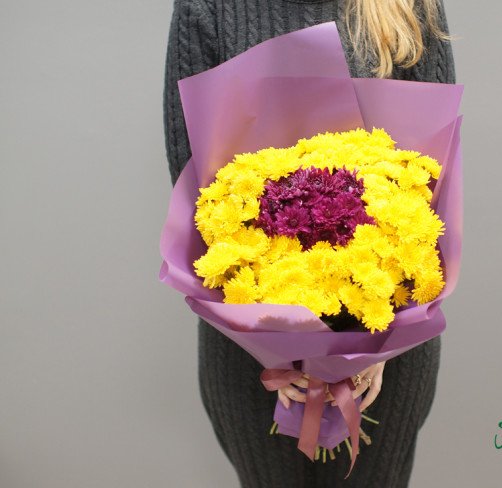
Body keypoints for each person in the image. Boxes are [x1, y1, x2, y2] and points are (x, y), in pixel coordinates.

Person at [163, 1, 456, 486]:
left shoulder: (410, 3)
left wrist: (374, 341)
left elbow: (433, 175)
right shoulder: (208, 6)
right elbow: (191, 173)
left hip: (388, 341)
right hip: (251, 343)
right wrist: (276, 340)